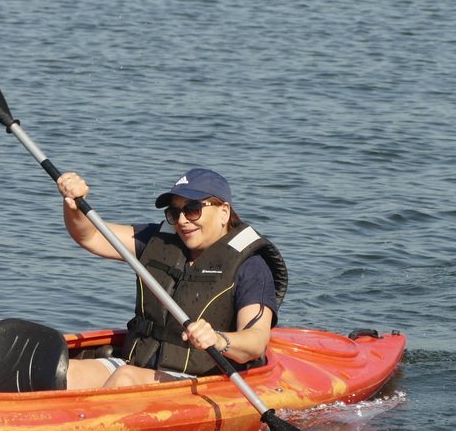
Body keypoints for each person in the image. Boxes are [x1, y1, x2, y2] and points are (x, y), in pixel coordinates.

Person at [57, 167, 287, 390]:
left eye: (193, 209)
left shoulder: (251, 265)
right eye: (174, 212)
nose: (182, 221)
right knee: (68, 374)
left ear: (223, 211)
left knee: (125, 379)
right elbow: (91, 235)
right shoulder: (159, 242)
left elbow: (256, 342)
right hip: (135, 365)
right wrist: (74, 205)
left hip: (203, 381)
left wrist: (218, 339)